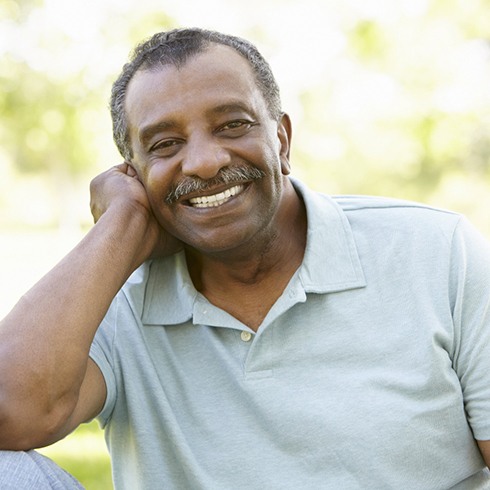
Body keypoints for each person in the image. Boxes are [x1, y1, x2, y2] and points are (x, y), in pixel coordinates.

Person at [0, 27, 489, 490]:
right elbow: (9, 413)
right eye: (166, 144)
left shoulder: (436, 250)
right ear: (134, 173)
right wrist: (120, 225)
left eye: (233, 125)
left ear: (281, 140)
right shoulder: (110, 300)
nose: (205, 162)